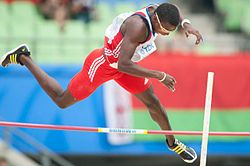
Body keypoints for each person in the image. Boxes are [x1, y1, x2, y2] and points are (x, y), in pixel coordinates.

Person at [0, 3, 203, 163]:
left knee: (153, 102)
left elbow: (176, 14)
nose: (166, 34)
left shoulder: (162, 11)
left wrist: (187, 25)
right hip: (104, 65)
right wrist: (159, 75)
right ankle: (24, 57)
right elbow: (122, 64)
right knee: (62, 100)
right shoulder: (138, 27)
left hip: (126, 67)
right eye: (165, 30)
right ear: (156, 20)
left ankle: (173, 143)